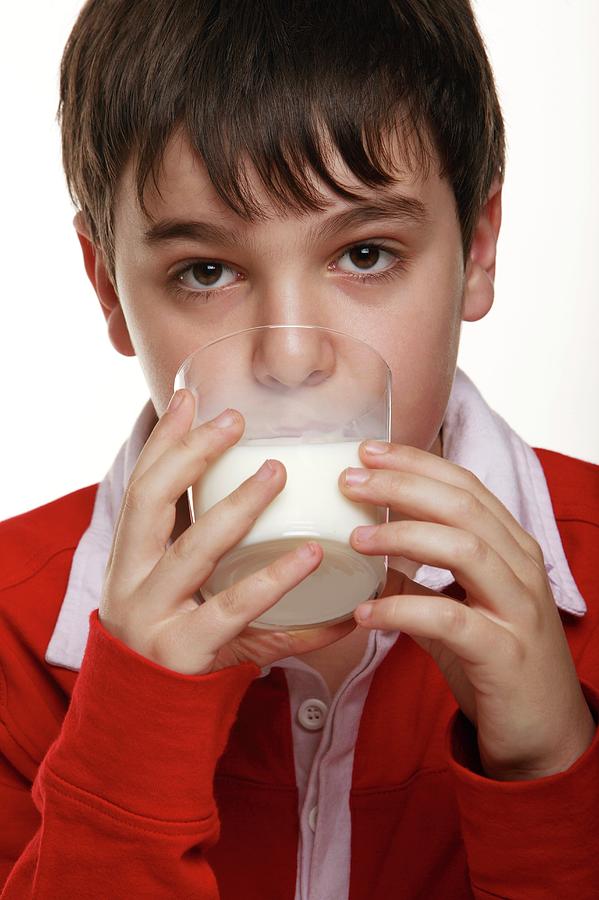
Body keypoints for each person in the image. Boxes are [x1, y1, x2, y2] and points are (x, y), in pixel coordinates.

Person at [1, 0, 598, 897]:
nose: (289, 355)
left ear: (477, 245)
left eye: (364, 253)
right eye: (205, 271)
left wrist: (549, 767)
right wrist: (129, 740)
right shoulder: (15, 627)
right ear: (110, 291)